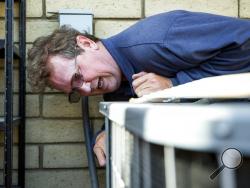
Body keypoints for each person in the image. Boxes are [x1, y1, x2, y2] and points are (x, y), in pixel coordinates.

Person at [27, 10, 250, 166]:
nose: (85, 90)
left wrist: (175, 84)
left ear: (87, 43)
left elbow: (245, 40)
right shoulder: (117, 78)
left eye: (78, 76)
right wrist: (106, 133)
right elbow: (125, 103)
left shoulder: (158, 40)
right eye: (75, 91)